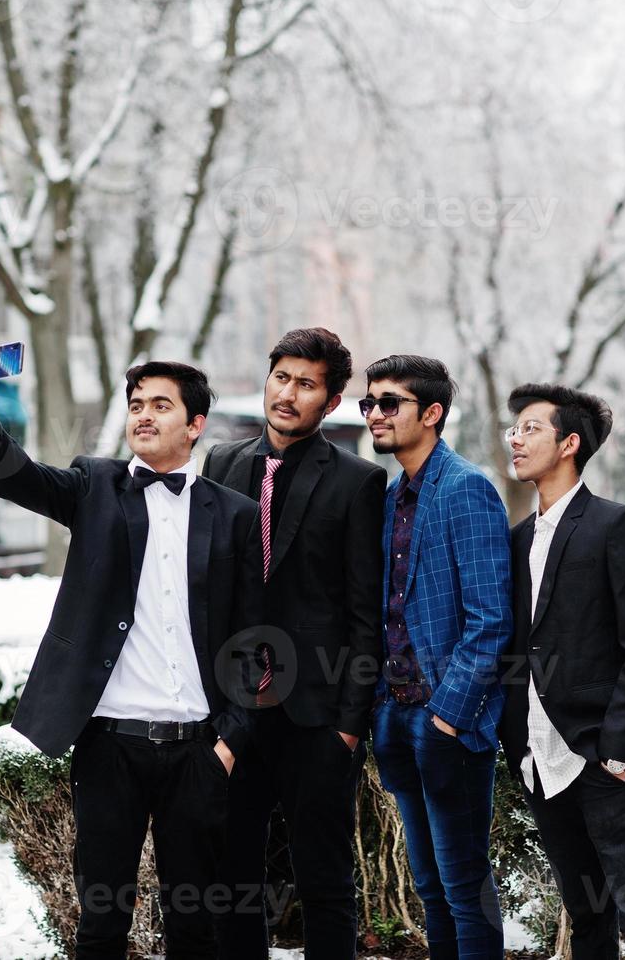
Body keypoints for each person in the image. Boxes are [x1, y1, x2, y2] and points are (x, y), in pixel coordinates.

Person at [0, 344, 262, 960]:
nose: (144, 415)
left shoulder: (235, 516)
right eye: (137, 404)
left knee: (195, 930)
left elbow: (254, 640)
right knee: (100, 924)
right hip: (108, 746)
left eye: (161, 405)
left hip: (197, 750)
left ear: (195, 425)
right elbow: (14, 477)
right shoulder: (95, 486)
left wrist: (229, 740)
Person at [202, 327, 386, 959]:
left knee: (325, 881)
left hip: (316, 715)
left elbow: (365, 612)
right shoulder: (221, 465)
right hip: (235, 709)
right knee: (232, 878)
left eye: (306, 384)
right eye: (281, 377)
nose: (288, 393)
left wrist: (348, 725)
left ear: (329, 402)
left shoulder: (359, 482)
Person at [497, 383, 625, 960]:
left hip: (601, 754)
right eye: (515, 428)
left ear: (570, 443)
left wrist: (620, 748)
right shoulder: (516, 537)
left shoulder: (614, 524)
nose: (516, 438)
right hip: (536, 754)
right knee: (584, 912)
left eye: (531, 428)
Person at [361, 353, 512, 960]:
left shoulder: (466, 488)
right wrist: (380, 708)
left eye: (388, 403)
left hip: (447, 721)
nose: (373, 413)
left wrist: (448, 717)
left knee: (463, 883)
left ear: (432, 413)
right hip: (395, 718)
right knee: (429, 887)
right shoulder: (392, 494)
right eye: (369, 402)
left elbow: (490, 619)